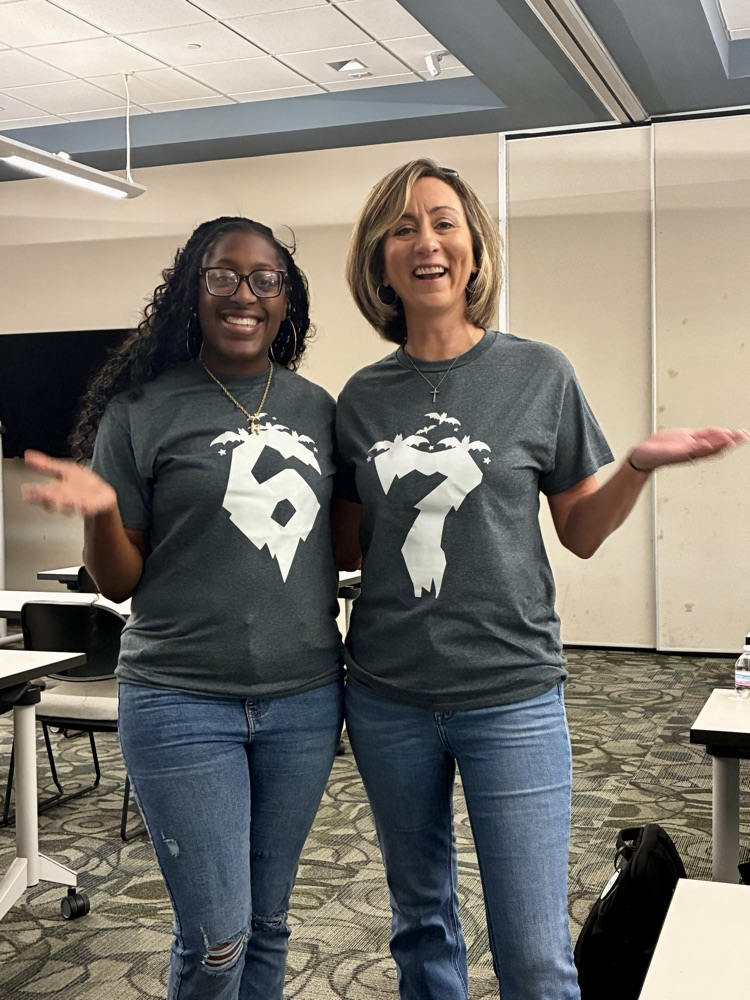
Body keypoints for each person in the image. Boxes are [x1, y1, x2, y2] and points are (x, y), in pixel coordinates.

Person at [334, 158, 747, 1000]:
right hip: (386, 697)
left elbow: (581, 533)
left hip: (511, 694)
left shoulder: (539, 374)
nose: (426, 243)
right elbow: (347, 549)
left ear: (476, 249)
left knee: (533, 954)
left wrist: (634, 464)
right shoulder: (358, 401)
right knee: (421, 931)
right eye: (403, 228)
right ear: (380, 260)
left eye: (444, 222)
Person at [22, 216, 344, 1000]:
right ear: (190, 296)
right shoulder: (142, 410)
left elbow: (351, 542)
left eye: (266, 279)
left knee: (268, 923)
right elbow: (117, 581)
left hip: (304, 700)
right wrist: (99, 509)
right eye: (223, 276)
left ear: (287, 299)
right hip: (180, 702)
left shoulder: (318, 408)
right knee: (217, 938)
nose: (245, 294)